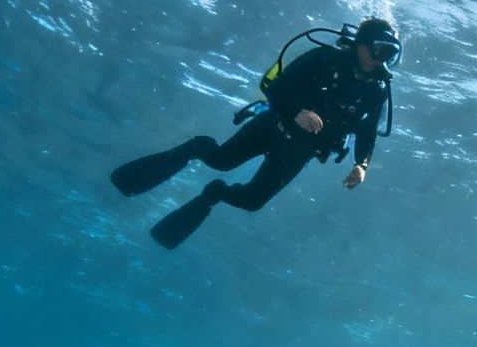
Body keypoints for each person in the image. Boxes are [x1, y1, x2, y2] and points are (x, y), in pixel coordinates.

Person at [111, 18, 401, 248]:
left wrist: (361, 164)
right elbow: (275, 88)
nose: (383, 60)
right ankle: (196, 148)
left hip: (301, 151)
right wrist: (297, 112)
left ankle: (214, 194)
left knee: (252, 202)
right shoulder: (323, 59)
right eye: (380, 50)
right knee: (221, 161)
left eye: (391, 55)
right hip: (272, 126)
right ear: (361, 45)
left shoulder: (377, 90)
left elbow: (368, 130)